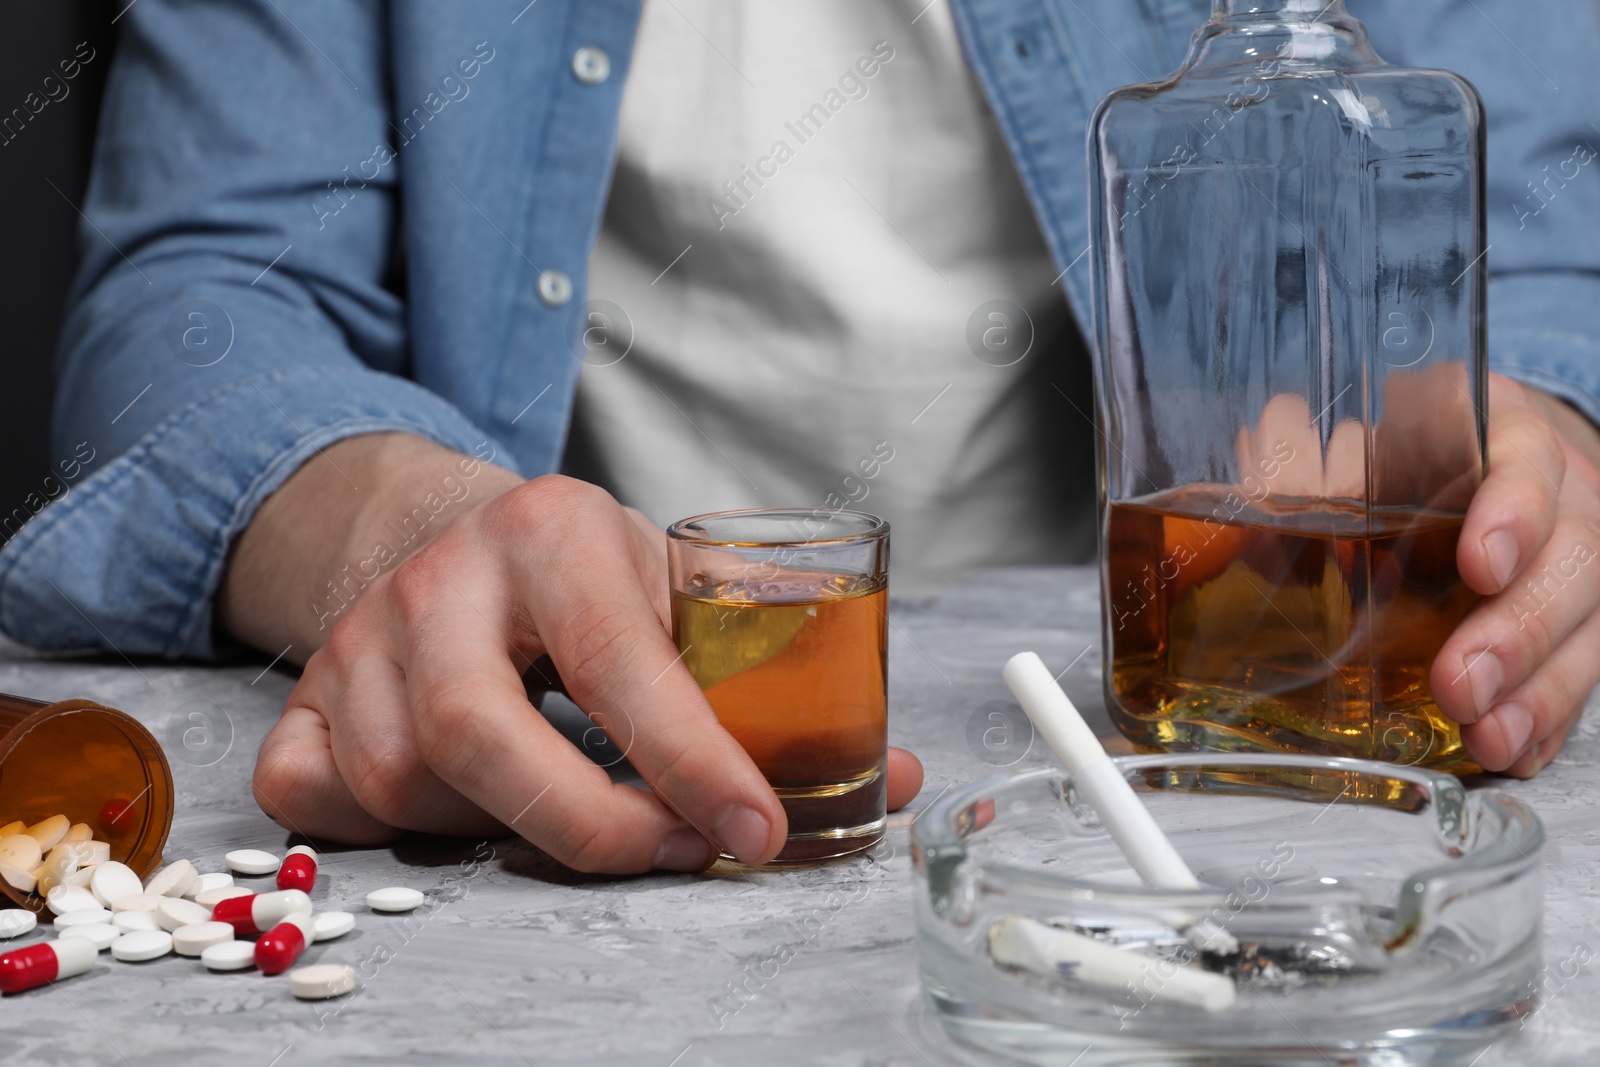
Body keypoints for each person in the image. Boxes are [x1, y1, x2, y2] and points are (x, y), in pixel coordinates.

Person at [3, 0, 1598, 873]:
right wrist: (404, 531)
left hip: (1185, 767)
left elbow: (1538, 230)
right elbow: (193, 311)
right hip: (599, 750)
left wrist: (1535, 426)